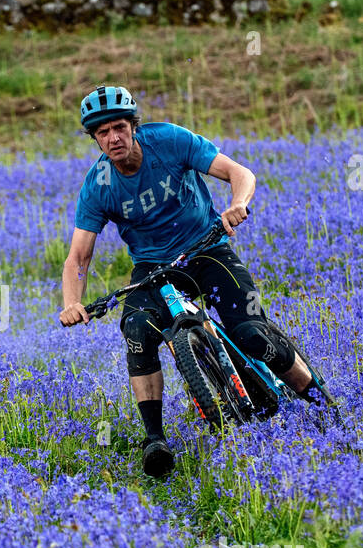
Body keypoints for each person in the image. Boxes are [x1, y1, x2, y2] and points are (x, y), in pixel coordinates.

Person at [58, 85, 333, 478]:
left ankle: (321, 403)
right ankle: (154, 440)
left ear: (133, 125)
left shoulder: (169, 140)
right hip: (154, 269)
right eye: (102, 133)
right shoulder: (98, 185)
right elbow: (78, 257)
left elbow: (239, 173)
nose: (113, 138)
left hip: (206, 248)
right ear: (95, 139)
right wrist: (72, 302)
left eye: (119, 127)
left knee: (252, 331)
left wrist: (237, 204)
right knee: (137, 328)